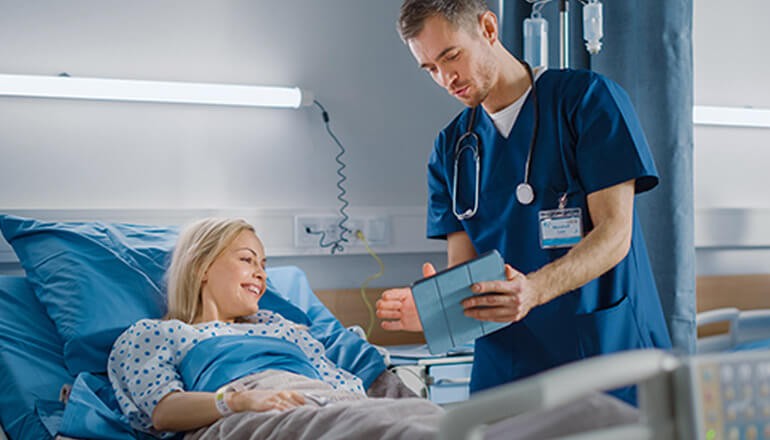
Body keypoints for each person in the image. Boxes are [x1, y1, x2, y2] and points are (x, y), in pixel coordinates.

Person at [376, 0, 672, 405]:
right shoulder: (451, 149)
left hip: (603, 354)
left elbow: (614, 233)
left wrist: (533, 290)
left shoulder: (587, 101)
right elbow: (465, 276)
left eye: (451, 56)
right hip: (508, 370)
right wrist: (433, 311)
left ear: (488, 28)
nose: (446, 79)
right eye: (430, 69)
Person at [108, 218, 442, 439]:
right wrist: (240, 401)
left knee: (423, 416)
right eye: (247, 259)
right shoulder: (158, 334)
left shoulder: (281, 327)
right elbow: (164, 412)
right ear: (201, 267)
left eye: (264, 265)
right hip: (246, 417)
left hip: (324, 402)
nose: (261, 274)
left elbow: (343, 389)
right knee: (386, 428)